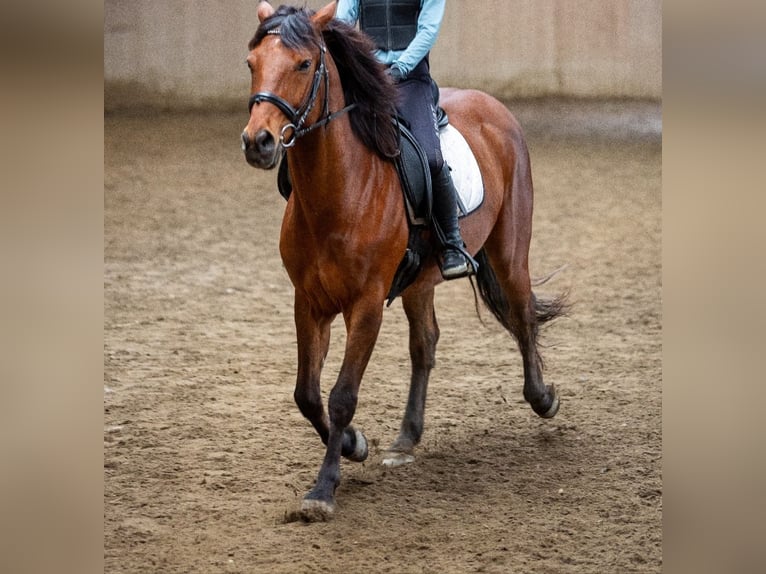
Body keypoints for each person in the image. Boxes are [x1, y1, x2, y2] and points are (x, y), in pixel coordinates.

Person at [335, 0, 473, 279]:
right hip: (366, 75)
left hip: (409, 78)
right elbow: (342, 19)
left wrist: (398, 68)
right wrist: (355, 62)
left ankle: (451, 243)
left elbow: (428, 31)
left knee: (432, 158)